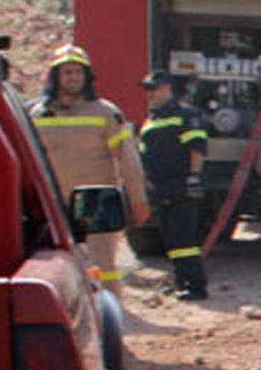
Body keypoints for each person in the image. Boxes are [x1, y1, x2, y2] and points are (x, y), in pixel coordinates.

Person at [29, 44, 148, 297]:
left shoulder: (106, 112)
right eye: (67, 72)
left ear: (87, 77)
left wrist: (138, 200)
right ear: (56, 77)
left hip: (95, 201)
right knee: (54, 264)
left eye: (78, 72)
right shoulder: (36, 114)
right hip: (52, 203)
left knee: (102, 265)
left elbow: (128, 159)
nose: (73, 78)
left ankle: (110, 313)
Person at [136, 70, 209, 298]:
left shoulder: (185, 114)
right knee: (170, 238)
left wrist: (193, 177)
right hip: (160, 186)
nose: (149, 94)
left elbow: (196, 147)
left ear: (168, 88)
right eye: (147, 89)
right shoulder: (151, 119)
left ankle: (196, 286)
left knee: (185, 238)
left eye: (154, 89)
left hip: (181, 184)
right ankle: (180, 281)